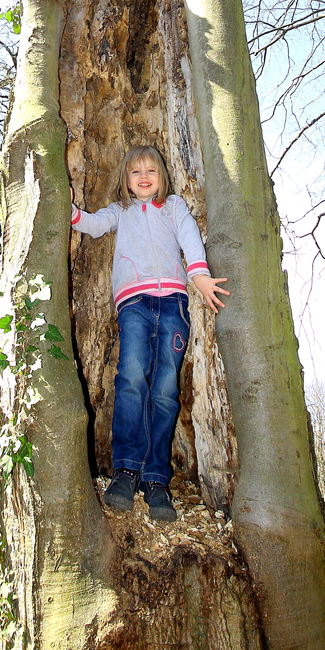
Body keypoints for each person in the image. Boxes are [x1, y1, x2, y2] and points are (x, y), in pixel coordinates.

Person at [71, 144, 228, 522]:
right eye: (136, 172)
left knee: (164, 391)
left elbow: (190, 237)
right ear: (126, 180)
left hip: (173, 304)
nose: (144, 177)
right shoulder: (120, 212)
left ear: (161, 178)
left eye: (151, 172)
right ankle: (126, 469)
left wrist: (199, 274)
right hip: (134, 304)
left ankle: (156, 478)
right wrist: (69, 209)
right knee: (131, 379)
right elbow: (93, 225)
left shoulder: (173, 208)